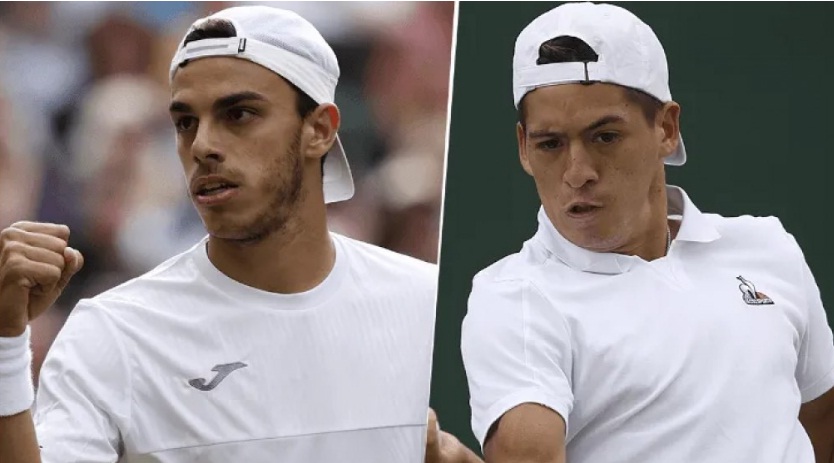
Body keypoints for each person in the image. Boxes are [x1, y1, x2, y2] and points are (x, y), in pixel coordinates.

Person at [0, 6, 438, 462]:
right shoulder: (113, 333)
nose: (203, 145)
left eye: (239, 114)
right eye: (185, 122)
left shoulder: (432, 306)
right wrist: (5, 344)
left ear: (319, 130)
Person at [459, 3, 834, 463]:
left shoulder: (768, 247)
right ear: (524, 148)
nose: (577, 173)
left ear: (667, 129)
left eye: (604, 137)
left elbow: (821, 418)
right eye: (550, 144)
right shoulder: (513, 300)